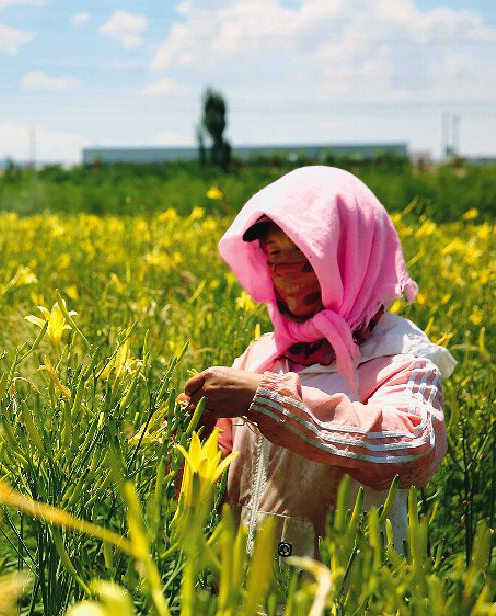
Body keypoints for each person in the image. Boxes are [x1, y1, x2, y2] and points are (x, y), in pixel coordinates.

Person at [180, 166, 455, 560]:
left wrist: (267, 399)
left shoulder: (400, 357)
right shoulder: (261, 355)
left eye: (307, 260)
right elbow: (219, 465)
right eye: (275, 257)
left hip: (350, 589)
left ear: (351, 260)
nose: (289, 277)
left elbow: (411, 449)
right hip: (249, 583)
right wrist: (194, 429)